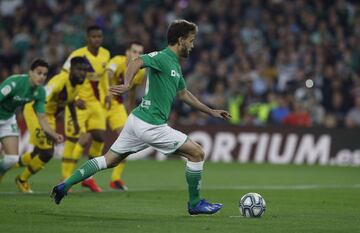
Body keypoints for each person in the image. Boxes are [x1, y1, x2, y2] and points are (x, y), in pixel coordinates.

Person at [51, 20, 230, 215]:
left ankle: (64, 185)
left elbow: (183, 94)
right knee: (197, 153)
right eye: (191, 40)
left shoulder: (175, 66)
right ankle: (195, 203)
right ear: (180, 40)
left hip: (136, 121)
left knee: (109, 160)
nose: (193, 45)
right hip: (151, 125)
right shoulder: (161, 57)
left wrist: (210, 111)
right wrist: (127, 84)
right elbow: (136, 62)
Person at [14, 57, 88, 193]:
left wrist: (76, 122)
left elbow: (70, 101)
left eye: (85, 70)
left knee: (38, 152)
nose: (82, 73)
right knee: (47, 152)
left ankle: (9, 166)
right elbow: (42, 96)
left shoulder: (79, 84)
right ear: (71, 69)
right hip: (36, 111)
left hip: (50, 116)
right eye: (79, 69)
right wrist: (43, 123)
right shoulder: (59, 81)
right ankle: (21, 179)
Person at [61, 25, 110, 192]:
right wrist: (73, 98)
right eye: (94, 37)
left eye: (99, 37)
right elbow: (64, 77)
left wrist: (107, 94)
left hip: (95, 103)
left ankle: (88, 178)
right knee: (77, 139)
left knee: (99, 137)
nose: (97, 39)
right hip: (79, 102)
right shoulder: (77, 55)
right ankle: (66, 178)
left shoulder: (105, 54)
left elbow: (103, 78)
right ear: (87, 38)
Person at [0, 59, 63, 181]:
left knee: (12, 160)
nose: (42, 77)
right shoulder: (14, 83)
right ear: (30, 72)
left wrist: (54, 135)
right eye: (39, 73)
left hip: (8, 120)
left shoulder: (40, 92)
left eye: (44, 74)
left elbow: (42, 118)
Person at [106, 41, 146, 191]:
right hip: (99, 101)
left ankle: (115, 179)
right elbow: (109, 73)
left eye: (140, 52)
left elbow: (132, 92)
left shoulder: (140, 71)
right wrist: (110, 91)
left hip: (116, 105)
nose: (137, 55)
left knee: (127, 136)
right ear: (127, 52)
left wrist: (130, 110)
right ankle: (67, 177)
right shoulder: (117, 61)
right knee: (87, 138)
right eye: (134, 51)